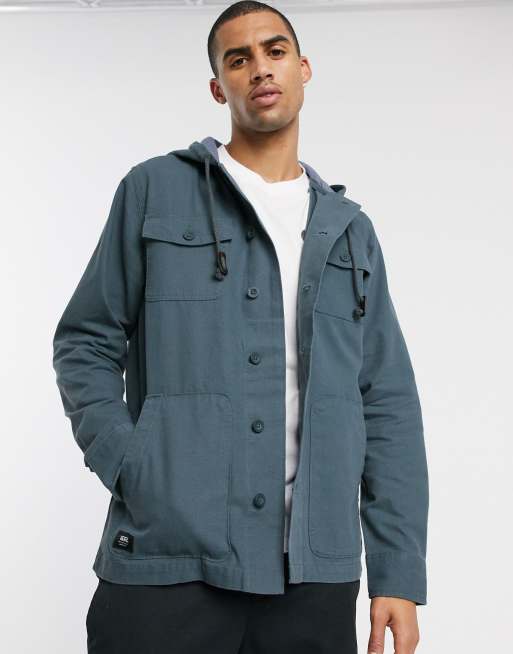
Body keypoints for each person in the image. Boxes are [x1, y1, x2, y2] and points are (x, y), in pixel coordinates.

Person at [52, 2, 429, 653]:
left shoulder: (350, 231)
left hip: (312, 574)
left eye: (274, 51)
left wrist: (396, 571)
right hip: (170, 558)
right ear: (217, 86)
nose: (259, 68)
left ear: (303, 68)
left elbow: (385, 399)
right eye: (238, 58)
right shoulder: (154, 190)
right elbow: (85, 340)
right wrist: (134, 464)